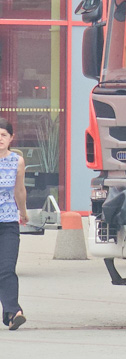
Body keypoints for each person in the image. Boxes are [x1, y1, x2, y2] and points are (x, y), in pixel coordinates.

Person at [0, 118, 27, 330]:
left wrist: (23, 212)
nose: (0, 139)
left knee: (7, 268)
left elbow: (19, 190)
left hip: (9, 221)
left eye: (3, 135)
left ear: (11, 138)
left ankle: (13, 312)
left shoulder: (17, 161)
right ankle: (11, 312)